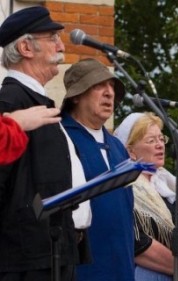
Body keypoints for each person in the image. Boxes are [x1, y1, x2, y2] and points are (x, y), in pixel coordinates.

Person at [0, 6, 86, 280]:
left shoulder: (37, 101)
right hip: (24, 260)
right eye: (52, 37)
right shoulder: (11, 102)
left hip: (52, 251)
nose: (61, 45)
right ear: (26, 47)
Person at [60, 58, 134, 280]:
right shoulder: (60, 138)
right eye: (98, 85)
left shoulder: (117, 146)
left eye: (112, 86)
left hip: (122, 267)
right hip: (81, 270)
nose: (109, 93)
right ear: (76, 95)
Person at [115, 112, 178, 281]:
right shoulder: (125, 187)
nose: (160, 145)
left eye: (161, 139)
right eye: (151, 140)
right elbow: (135, 242)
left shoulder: (174, 185)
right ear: (130, 151)